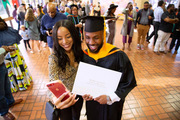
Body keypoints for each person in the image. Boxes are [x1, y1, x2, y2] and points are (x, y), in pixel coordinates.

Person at [82, 16, 137, 120]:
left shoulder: (118, 55)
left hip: (112, 107)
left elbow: (129, 82)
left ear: (103, 35)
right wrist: (84, 93)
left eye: (96, 37)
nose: (91, 42)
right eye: (87, 37)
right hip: (92, 105)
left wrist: (109, 98)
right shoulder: (84, 55)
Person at [48, 20, 83, 120]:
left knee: (77, 116)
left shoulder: (79, 52)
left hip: (78, 95)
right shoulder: (54, 58)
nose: (65, 42)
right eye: (60, 38)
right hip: (64, 98)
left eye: (68, 36)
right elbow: (52, 80)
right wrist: (54, 99)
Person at [0, 45, 23, 120]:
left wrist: (6, 49)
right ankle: (4, 112)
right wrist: (3, 49)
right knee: (0, 93)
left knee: (6, 86)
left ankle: (10, 101)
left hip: (1, 64)